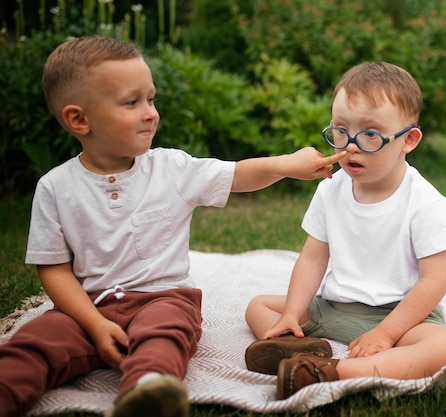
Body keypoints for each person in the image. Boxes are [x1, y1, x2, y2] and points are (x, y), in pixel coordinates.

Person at [0, 35, 345, 417]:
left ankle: (147, 392)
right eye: (132, 102)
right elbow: (54, 271)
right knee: (34, 342)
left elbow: (237, 175)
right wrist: (94, 325)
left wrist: (286, 164)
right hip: (87, 305)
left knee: (165, 334)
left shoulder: (171, 169)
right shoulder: (55, 188)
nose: (150, 112)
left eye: (151, 99)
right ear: (79, 119)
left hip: (163, 298)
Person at [244, 61, 446, 400]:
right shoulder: (330, 190)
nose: (350, 146)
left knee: (445, 347)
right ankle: (294, 350)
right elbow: (312, 258)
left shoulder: (425, 202)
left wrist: (386, 334)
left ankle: (333, 371)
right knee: (259, 306)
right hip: (332, 309)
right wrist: (292, 313)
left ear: (408, 139)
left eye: (370, 135)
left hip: (401, 316)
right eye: (340, 130)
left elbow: (433, 281)